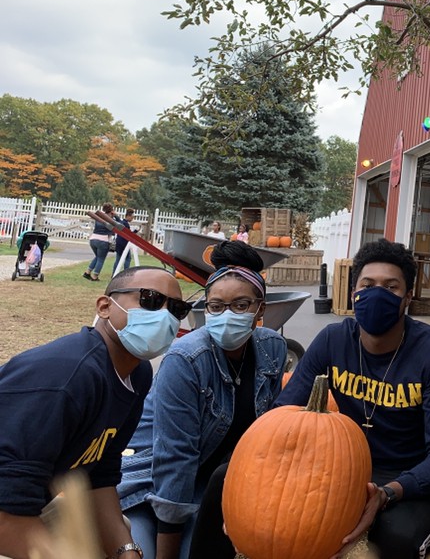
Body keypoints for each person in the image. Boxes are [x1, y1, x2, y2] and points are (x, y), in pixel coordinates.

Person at [276, 238, 430, 559]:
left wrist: (388, 493)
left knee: (398, 536)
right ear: (353, 294)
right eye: (368, 285)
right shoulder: (333, 340)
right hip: (343, 469)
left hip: (412, 480)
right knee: (227, 480)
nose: (377, 294)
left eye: (391, 287)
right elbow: (283, 415)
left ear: (408, 298)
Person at [0, 266, 187, 559]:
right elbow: (5, 515)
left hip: (25, 505)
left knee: (116, 529)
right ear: (104, 307)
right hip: (7, 511)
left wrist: (127, 551)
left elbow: (99, 472)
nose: (165, 315)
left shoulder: (136, 376)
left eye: (177, 309)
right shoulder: (66, 379)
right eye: (150, 300)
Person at [118, 241, 286, 559]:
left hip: (216, 484)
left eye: (240, 306)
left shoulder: (273, 349)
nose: (226, 315)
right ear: (205, 307)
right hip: (152, 481)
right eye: (216, 306)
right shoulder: (187, 359)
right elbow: (173, 459)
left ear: (260, 309)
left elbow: (272, 433)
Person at [83, 202, 117, 281]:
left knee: (98, 257)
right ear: (112, 210)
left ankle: (87, 272)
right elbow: (113, 231)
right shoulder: (111, 220)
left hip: (93, 239)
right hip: (103, 240)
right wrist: (115, 216)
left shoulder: (98, 218)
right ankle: (95, 276)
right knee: (101, 259)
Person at [112, 208, 137, 273]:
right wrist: (135, 231)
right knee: (128, 259)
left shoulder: (121, 222)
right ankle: (126, 272)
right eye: (132, 217)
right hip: (124, 244)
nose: (132, 219)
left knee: (118, 259)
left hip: (119, 243)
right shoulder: (126, 224)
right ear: (128, 216)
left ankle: (114, 273)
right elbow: (128, 234)